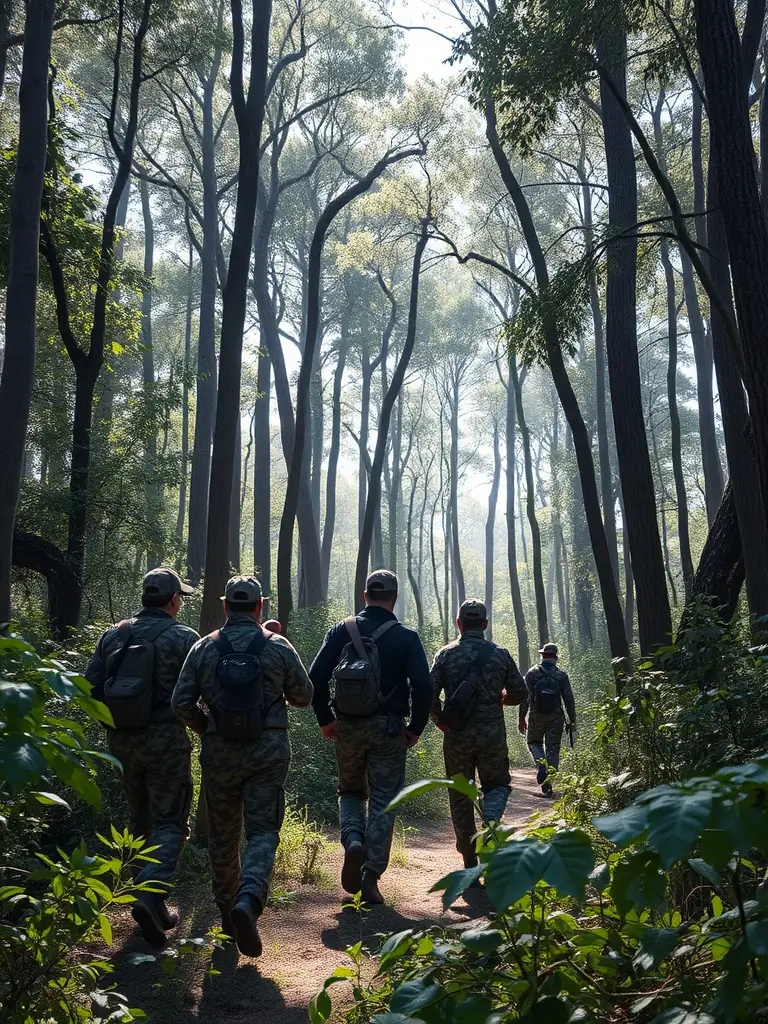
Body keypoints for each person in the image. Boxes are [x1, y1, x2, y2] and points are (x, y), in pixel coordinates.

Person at [171, 576, 312, 958]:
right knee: (263, 830)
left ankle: (227, 914)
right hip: (267, 753)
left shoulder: (203, 648)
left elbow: (181, 702)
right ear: (259, 607)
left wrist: (207, 728)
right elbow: (304, 696)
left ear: (224, 605)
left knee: (223, 836)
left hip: (220, 756)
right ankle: (249, 900)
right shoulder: (277, 645)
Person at [85, 567, 199, 947]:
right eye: (179, 597)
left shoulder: (115, 635)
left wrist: (117, 726)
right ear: (172, 600)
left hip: (122, 743)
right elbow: (202, 690)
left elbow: (90, 689)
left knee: (141, 820)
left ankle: (150, 900)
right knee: (171, 822)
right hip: (166, 740)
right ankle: (150, 894)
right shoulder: (184, 637)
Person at [309, 569, 432, 906]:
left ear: (365, 595)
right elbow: (424, 686)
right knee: (383, 800)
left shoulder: (342, 630)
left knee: (350, 791)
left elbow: (314, 677)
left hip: (346, 727)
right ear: (393, 598)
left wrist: (325, 719)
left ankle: (352, 841)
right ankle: (370, 877)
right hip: (389, 729)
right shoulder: (406, 637)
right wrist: (416, 728)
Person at [430, 599, 526, 872]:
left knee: (461, 795)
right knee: (496, 786)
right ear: (485, 624)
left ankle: (469, 858)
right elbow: (520, 692)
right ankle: (491, 824)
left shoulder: (445, 655)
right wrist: (503, 698)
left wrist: (439, 720)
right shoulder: (500, 654)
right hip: (492, 735)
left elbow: (427, 693)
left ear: (458, 623)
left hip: (457, 735)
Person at [518, 642, 576, 797]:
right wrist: (572, 720)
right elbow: (569, 699)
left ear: (542, 656)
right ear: (556, 657)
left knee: (533, 743)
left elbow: (525, 698)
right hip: (556, 717)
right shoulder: (561, 676)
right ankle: (548, 782)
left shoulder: (532, 673)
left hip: (536, 715)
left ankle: (540, 764)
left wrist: (521, 717)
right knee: (553, 748)